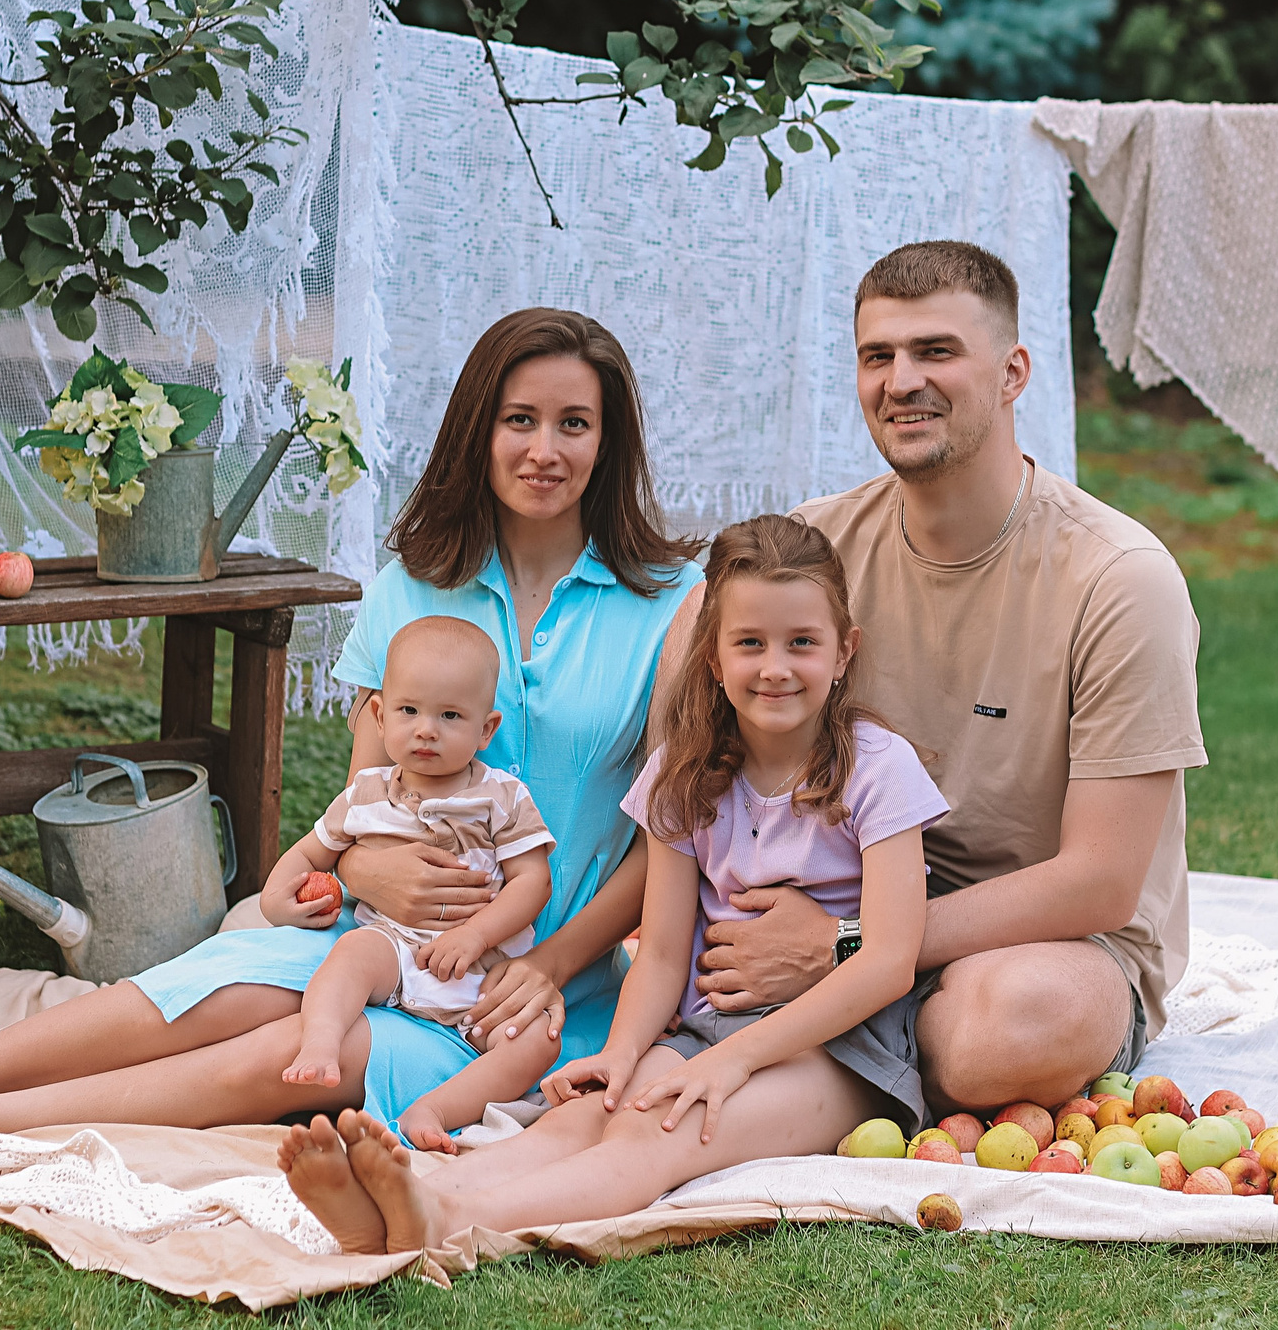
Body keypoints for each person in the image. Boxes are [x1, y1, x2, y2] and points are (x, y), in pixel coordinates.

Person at [0, 308, 702, 1136]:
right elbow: (363, 790)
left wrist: (553, 960)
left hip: (529, 992)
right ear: (479, 431)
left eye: (574, 424)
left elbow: (664, 839)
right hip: (375, 942)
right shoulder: (415, 586)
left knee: (289, 1056)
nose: (545, 448)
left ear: (607, 442)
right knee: (215, 987)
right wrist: (363, 864)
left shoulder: (670, 607)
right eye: (520, 419)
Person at [278, 513, 948, 1253]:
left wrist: (735, 1059)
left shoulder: (878, 770)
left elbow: (888, 957)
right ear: (716, 659)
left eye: (802, 642)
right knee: (586, 1113)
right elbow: (661, 954)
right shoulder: (686, 777)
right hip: (707, 1026)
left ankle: (448, 1222)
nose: (775, 666)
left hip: (842, 1046)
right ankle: (412, 1196)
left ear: (844, 650)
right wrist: (623, 1051)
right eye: (749, 642)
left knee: (656, 1133)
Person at [688, 240, 1206, 1113]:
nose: (901, 382)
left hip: (1050, 945)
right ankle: (842, 1040)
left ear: (1012, 373)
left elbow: (1101, 881)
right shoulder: (820, 546)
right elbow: (685, 718)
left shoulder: (1119, 578)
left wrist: (844, 945)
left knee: (996, 1034)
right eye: (877, 357)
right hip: (837, 894)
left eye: (935, 352)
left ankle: (838, 1049)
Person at [262, 614, 560, 1151]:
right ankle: (321, 1044)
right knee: (352, 953)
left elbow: (532, 882)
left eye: (450, 715)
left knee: (537, 1037)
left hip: (481, 974)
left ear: (486, 729)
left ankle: (438, 1108)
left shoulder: (502, 797)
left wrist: (477, 936)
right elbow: (311, 852)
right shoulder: (366, 794)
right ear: (379, 715)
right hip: (395, 951)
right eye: (409, 711)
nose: (426, 729)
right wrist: (275, 898)